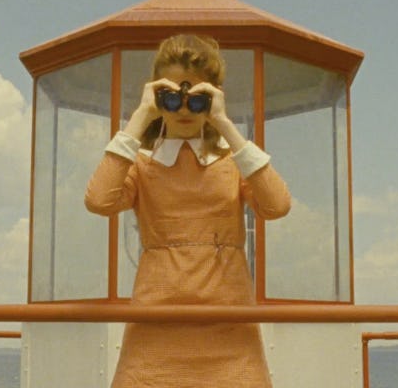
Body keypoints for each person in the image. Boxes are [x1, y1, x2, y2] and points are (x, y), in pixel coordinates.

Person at [85, 34, 291, 388]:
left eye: (197, 99)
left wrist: (226, 125)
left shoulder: (233, 162)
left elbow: (276, 205)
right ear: (155, 97)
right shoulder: (142, 165)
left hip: (230, 334)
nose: (182, 109)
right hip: (155, 332)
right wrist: (140, 116)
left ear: (214, 99)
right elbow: (99, 200)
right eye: (170, 98)